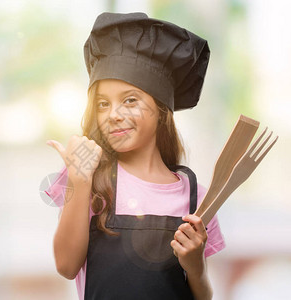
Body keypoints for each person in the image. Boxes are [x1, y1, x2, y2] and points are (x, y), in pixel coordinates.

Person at [44, 12, 225, 300]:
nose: (114, 114)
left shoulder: (197, 198)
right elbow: (66, 266)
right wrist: (80, 181)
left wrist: (195, 266)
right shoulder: (90, 180)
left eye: (130, 100)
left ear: (162, 111)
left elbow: (203, 296)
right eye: (103, 104)